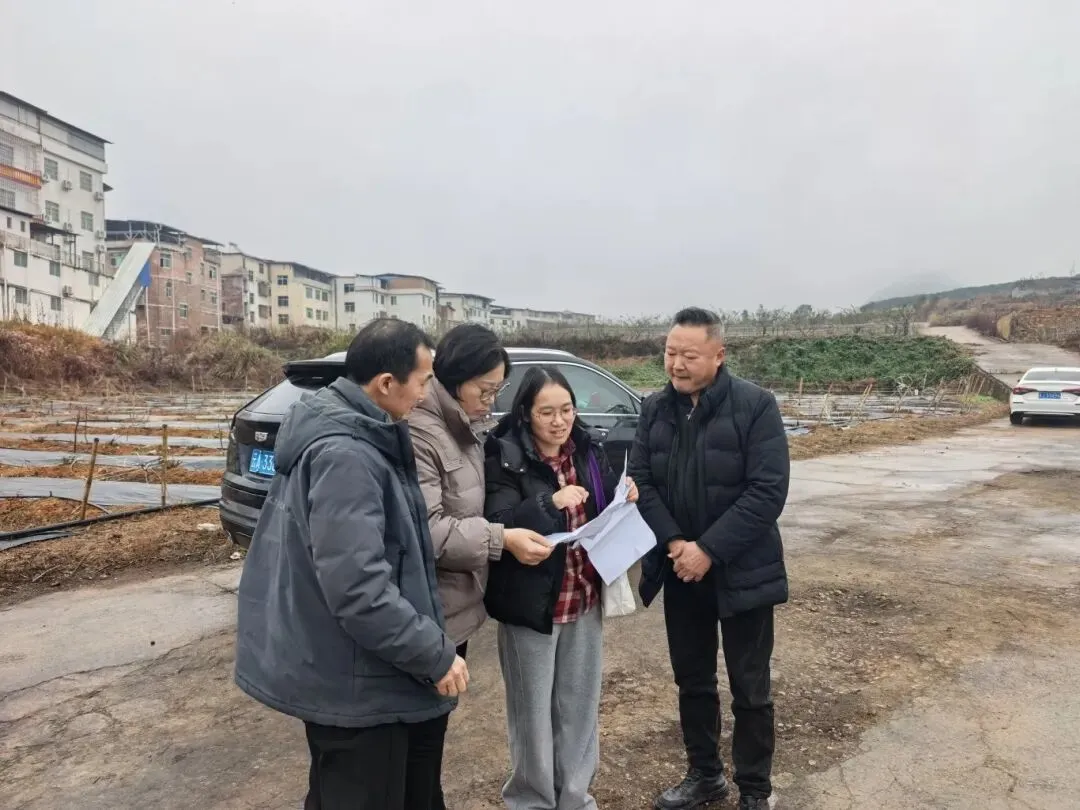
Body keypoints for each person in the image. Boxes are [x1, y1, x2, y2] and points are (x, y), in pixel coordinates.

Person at [234, 318, 470, 810]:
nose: (426, 394)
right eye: (424, 381)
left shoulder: (353, 431)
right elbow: (359, 589)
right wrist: (434, 654)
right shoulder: (348, 455)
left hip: (346, 670)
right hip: (357, 683)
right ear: (386, 383)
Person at [629, 307, 790, 810]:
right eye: (670, 353)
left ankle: (755, 791)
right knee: (693, 681)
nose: (676, 365)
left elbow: (767, 491)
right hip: (682, 570)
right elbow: (642, 483)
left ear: (719, 355)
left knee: (751, 688)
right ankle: (704, 775)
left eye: (689, 356)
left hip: (743, 571)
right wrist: (676, 544)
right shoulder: (655, 408)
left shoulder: (755, 406)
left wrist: (709, 550)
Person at [406, 323, 553, 809]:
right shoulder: (420, 432)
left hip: (454, 605)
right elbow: (427, 531)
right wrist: (501, 539)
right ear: (453, 378)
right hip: (428, 609)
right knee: (418, 739)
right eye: (485, 390)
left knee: (431, 734)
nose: (491, 401)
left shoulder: (462, 427)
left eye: (497, 391)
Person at [483, 365, 639, 810]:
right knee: (532, 715)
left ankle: (574, 798)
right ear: (525, 413)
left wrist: (624, 495)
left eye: (567, 409)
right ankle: (532, 801)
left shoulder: (587, 448)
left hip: (582, 599)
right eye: (546, 412)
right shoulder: (505, 454)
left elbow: (602, 507)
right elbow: (497, 523)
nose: (559, 421)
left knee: (579, 708)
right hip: (531, 608)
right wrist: (548, 501)